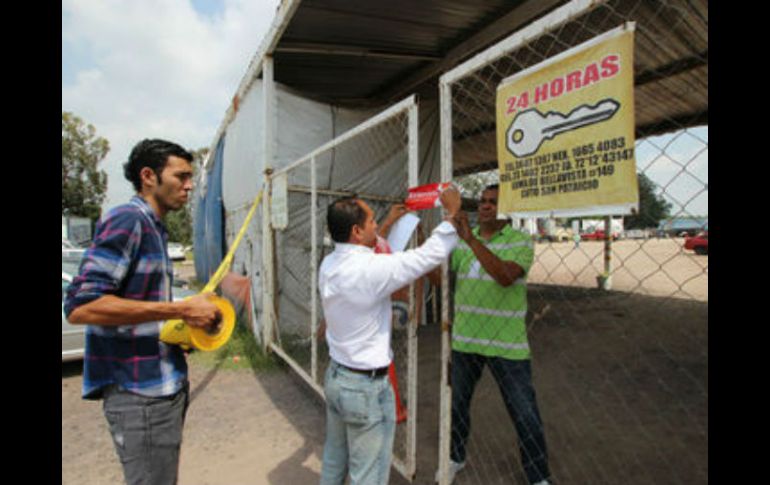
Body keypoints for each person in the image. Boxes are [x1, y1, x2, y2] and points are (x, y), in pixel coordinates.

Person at [64, 139, 222, 485]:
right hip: (140, 395)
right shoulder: (127, 220)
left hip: (161, 386)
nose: (189, 185)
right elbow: (82, 306)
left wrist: (176, 333)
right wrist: (178, 311)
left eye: (190, 177)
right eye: (180, 176)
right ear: (148, 176)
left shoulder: (154, 227)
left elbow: (138, 309)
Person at [318, 187, 462, 485]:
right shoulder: (370, 270)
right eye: (372, 221)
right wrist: (451, 214)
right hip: (364, 390)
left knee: (334, 458)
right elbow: (427, 256)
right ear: (357, 231)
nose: (376, 225)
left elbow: (371, 250)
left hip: (337, 377)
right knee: (367, 475)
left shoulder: (330, 264)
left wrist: (387, 225)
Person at [431, 184, 551, 485]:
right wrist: (426, 250)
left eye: (493, 202)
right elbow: (440, 281)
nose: (484, 206)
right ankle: (455, 457)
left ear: (507, 211)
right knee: (457, 405)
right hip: (466, 340)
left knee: (524, 413)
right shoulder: (461, 244)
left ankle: (538, 477)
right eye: (482, 201)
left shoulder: (519, 240)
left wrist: (470, 240)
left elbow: (505, 276)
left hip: (506, 345)